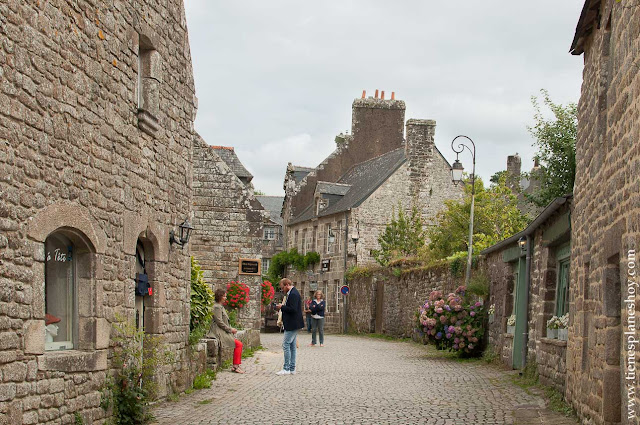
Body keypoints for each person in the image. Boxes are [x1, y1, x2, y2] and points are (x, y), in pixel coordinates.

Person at [209, 288, 245, 373]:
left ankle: (236, 365)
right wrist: (230, 330)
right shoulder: (217, 307)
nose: (226, 298)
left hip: (222, 331)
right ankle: (235, 366)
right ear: (220, 297)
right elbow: (219, 322)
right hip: (217, 332)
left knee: (238, 344)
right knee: (238, 344)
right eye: (224, 296)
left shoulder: (220, 307)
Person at [274, 278, 304, 375]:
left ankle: (286, 368)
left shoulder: (294, 294)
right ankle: (292, 368)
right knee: (292, 346)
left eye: (282, 287)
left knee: (286, 344)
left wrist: (281, 307)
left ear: (287, 285)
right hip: (293, 323)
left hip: (292, 323)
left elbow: (293, 309)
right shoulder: (292, 293)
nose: (282, 290)